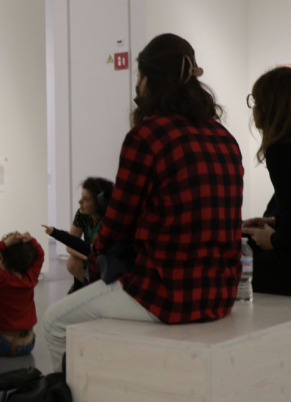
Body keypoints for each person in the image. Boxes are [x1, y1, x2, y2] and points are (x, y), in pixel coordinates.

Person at [41, 33, 244, 368]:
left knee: (53, 323)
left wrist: (92, 263)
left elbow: (116, 224)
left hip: (164, 294)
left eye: (138, 75)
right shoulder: (225, 138)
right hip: (221, 295)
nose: (136, 84)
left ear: (151, 79)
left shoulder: (147, 136)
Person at [241, 66, 291, 297]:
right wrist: (274, 220)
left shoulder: (282, 150)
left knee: (235, 263)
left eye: (256, 101)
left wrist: (269, 238)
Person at [0, 232, 45, 358]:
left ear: (2, 260)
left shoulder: (1, 279)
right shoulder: (31, 277)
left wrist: (6, 243)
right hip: (30, 342)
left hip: (6, 345)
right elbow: (40, 255)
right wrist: (32, 241)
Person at [56, 176, 114, 294]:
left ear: (99, 203)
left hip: (106, 262)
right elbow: (70, 245)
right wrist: (86, 258)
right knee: (72, 262)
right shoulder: (82, 214)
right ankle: (92, 290)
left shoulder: (109, 219)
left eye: (86, 199)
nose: (80, 202)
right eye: (81, 197)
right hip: (90, 257)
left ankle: (102, 291)